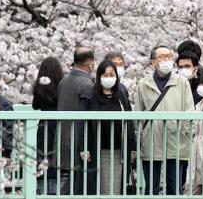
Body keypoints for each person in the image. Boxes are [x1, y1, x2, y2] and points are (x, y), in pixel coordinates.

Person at [134, 45, 195, 195]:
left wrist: (184, 132)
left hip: (176, 141)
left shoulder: (182, 82)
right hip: (151, 141)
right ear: (153, 62)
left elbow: (189, 111)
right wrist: (141, 137)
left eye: (168, 56)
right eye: (161, 57)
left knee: (174, 187)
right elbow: (138, 114)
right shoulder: (144, 84)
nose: (166, 60)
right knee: (151, 188)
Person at [77, 61, 136, 196]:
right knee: (97, 189)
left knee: (115, 189)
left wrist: (132, 147)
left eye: (111, 74)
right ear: (99, 76)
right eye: (105, 75)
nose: (109, 78)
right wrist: (83, 148)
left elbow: (129, 122)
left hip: (118, 152)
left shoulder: (121, 96)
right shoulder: (89, 97)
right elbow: (82, 123)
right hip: (96, 151)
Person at [58, 46, 97, 194]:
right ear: (90, 63)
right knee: (79, 185)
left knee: (68, 180)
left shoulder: (64, 81)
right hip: (81, 142)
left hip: (63, 138)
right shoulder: (87, 84)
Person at [33, 56, 65, 194]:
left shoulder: (40, 85)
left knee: (43, 155)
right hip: (59, 124)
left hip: (44, 125)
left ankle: (43, 188)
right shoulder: (62, 85)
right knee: (59, 155)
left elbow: (35, 106)